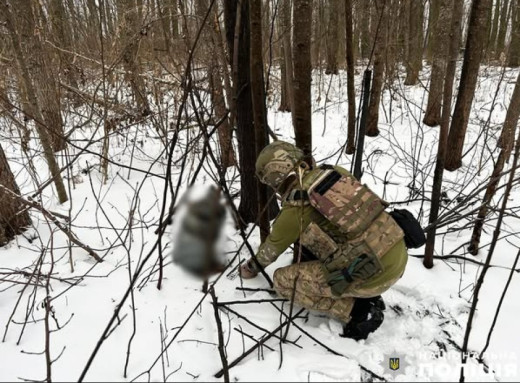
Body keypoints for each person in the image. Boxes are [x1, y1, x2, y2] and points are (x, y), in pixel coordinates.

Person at [239, 140, 408, 340]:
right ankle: (363, 292)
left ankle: (359, 312)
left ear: (275, 178)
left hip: (376, 275)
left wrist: (251, 267)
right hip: (396, 250)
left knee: (282, 281)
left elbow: (271, 249)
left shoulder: (297, 206)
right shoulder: (334, 172)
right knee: (313, 237)